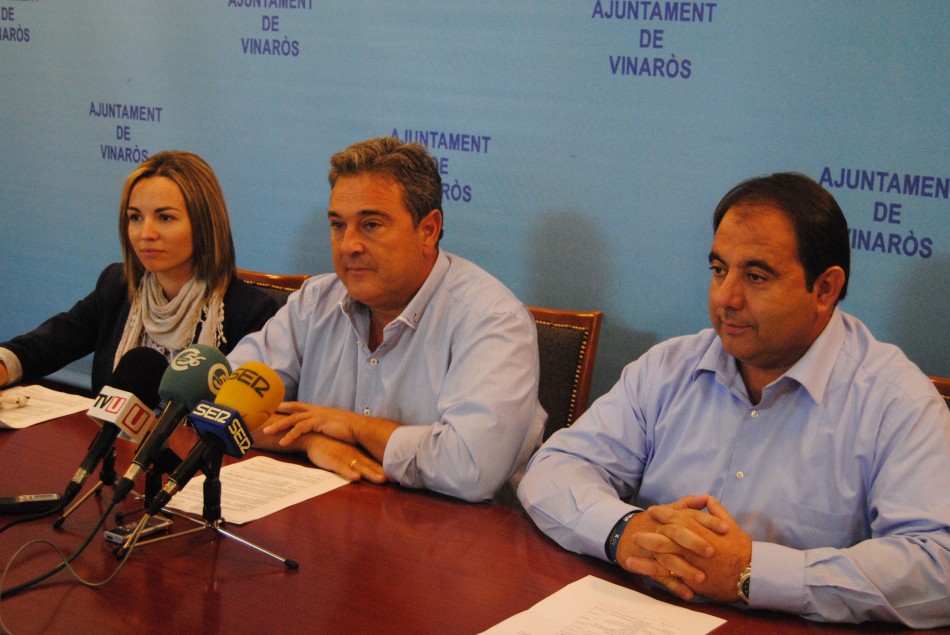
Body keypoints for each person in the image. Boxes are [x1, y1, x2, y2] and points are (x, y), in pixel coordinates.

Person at [517, 172, 950, 628]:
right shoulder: (669, 368)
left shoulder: (896, 402)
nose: (726, 297)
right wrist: (625, 530)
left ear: (824, 289)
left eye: (756, 277)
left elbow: (938, 564)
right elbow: (554, 467)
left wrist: (753, 573)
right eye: (719, 270)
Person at [228, 137, 544, 503]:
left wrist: (352, 426)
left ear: (428, 230)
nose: (348, 245)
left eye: (371, 224)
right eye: (338, 225)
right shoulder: (316, 302)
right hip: (333, 514)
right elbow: (220, 405)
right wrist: (309, 440)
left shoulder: (492, 320)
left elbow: (471, 468)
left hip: (457, 527)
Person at [0, 150, 279, 394]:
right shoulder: (117, 286)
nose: (146, 233)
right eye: (135, 217)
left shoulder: (250, 312)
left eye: (165, 217)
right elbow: (45, 345)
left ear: (204, 224)